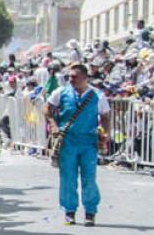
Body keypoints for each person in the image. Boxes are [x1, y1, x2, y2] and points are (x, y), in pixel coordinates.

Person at [45, 63, 111, 226]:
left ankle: (90, 211)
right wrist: (53, 124)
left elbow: (106, 117)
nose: (70, 79)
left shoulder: (98, 95)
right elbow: (47, 108)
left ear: (84, 77)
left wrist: (106, 133)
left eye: (74, 76)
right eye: (69, 76)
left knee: (89, 177)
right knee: (68, 177)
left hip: (89, 142)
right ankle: (69, 211)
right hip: (67, 141)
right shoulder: (61, 92)